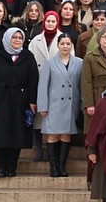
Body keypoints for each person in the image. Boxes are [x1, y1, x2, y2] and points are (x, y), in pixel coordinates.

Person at [0, 26, 38, 178]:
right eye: (14, 38)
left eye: (20, 38)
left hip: (21, 100)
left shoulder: (28, 56)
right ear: (7, 39)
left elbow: (33, 80)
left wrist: (33, 100)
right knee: (1, 133)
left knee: (17, 134)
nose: (17, 40)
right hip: (0, 99)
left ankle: (12, 166)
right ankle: (1, 166)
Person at [35, 33, 82, 177]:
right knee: (53, 135)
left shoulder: (79, 62)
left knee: (66, 135)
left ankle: (62, 167)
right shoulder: (49, 62)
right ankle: (53, 167)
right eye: (62, 44)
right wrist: (43, 106)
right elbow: (43, 86)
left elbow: (81, 85)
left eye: (68, 44)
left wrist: (82, 105)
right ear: (58, 45)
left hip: (70, 104)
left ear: (72, 45)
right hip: (54, 105)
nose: (65, 46)